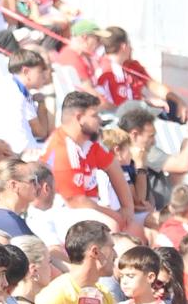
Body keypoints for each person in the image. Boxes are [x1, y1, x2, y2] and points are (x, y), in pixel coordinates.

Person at [43, 91, 134, 230]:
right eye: (94, 115)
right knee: (112, 225)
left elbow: (113, 166)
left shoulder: (86, 144)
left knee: (137, 227)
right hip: (59, 213)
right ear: (79, 117)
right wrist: (116, 216)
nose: (100, 120)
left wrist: (127, 208)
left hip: (84, 209)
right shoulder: (62, 148)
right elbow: (76, 201)